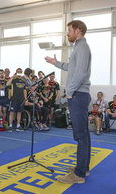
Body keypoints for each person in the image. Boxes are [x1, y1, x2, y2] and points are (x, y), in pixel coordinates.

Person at [45, 20, 91, 184]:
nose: (67, 33)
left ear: (78, 30)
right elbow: (71, 67)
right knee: (84, 134)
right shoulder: (78, 48)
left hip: (78, 94)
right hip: (78, 94)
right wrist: (55, 63)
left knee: (80, 136)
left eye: (69, 30)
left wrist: (69, 92)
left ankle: (79, 175)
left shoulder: (82, 47)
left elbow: (79, 74)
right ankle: (83, 167)